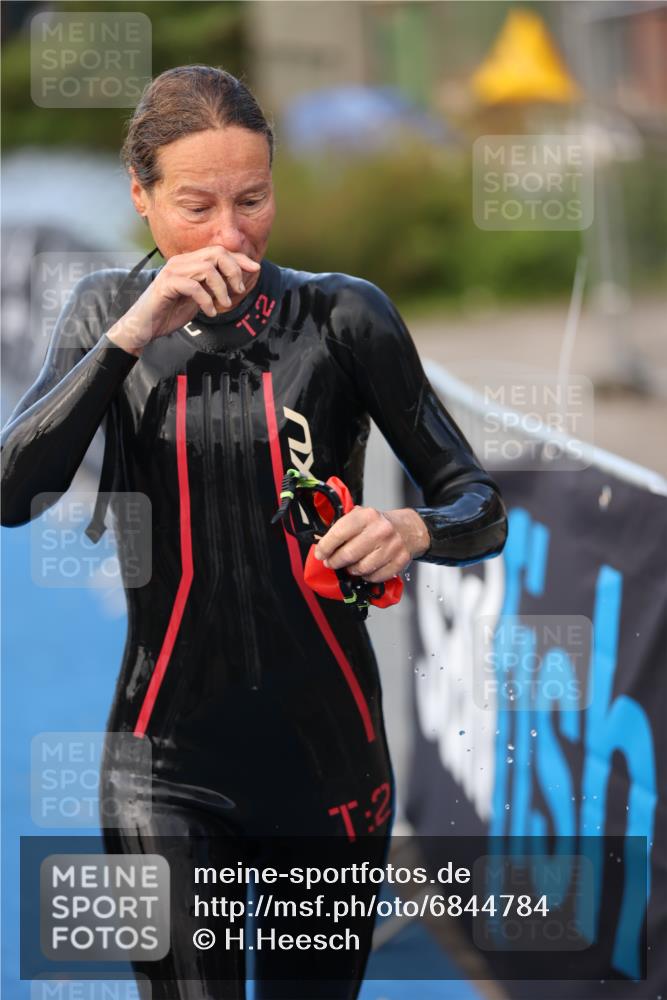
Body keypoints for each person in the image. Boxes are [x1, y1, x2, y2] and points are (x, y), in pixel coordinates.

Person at [1, 65, 508, 1000]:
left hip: (328, 765)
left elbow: (478, 504)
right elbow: (10, 492)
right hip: (160, 765)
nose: (229, 234)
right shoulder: (104, 313)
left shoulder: (344, 317)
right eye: (196, 205)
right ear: (140, 198)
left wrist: (412, 527)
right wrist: (129, 338)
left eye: (253, 199)